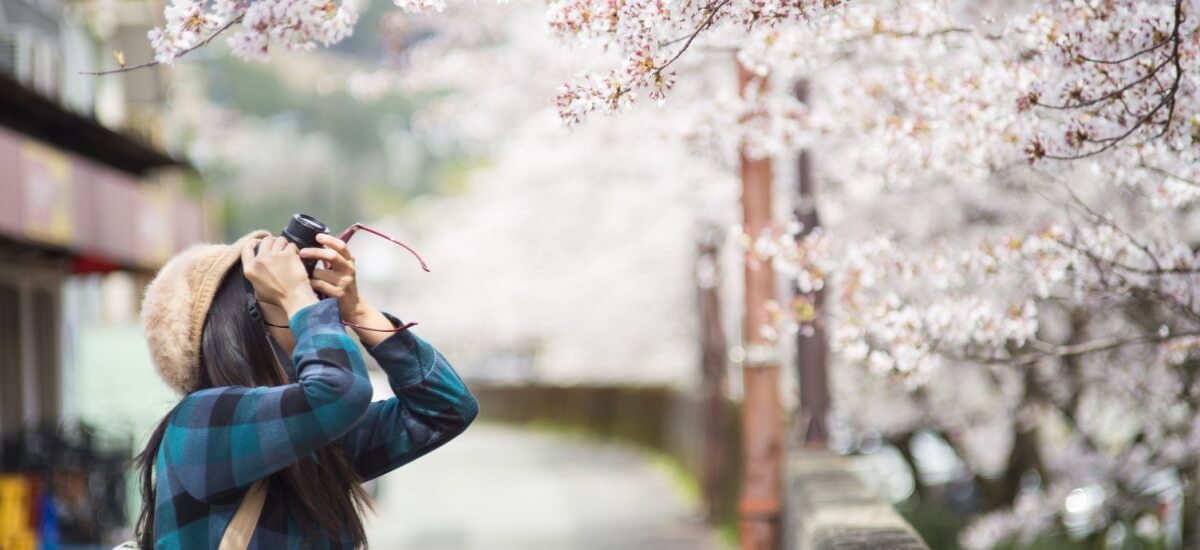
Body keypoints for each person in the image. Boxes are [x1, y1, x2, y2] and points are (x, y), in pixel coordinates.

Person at [132, 230, 478, 549]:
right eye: (281, 297)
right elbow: (340, 391)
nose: (310, 306)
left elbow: (447, 407)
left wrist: (358, 310)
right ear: (239, 325)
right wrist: (297, 296)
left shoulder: (311, 437)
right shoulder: (201, 422)